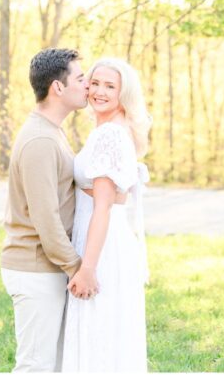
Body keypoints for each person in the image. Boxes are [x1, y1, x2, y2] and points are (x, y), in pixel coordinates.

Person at [1, 48, 91, 373]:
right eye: (80, 78)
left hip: (47, 268)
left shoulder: (51, 132)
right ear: (58, 87)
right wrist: (79, 268)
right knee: (35, 367)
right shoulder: (40, 140)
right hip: (36, 268)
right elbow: (46, 220)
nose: (88, 84)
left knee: (52, 365)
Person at [61, 58, 150, 372]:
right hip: (103, 236)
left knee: (98, 332)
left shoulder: (110, 134)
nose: (98, 91)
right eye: (95, 83)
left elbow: (103, 205)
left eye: (109, 86)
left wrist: (87, 268)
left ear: (123, 93)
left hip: (102, 244)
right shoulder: (108, 129)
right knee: (102, 331)